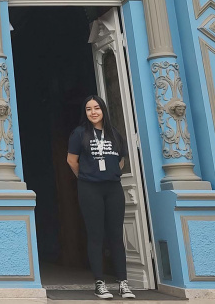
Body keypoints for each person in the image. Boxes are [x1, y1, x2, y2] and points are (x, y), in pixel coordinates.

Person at [66, 96, 134, 300]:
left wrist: (109, 174)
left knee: (115, 235)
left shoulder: (114, 134)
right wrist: (87, 176)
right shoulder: (79, 134)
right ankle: (100, 283)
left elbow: (120, 160)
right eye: (88, 109)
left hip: (113, 188)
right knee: (95, 235)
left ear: (103, 109)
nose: (93, 112)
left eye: (96, 108)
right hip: (89, 188)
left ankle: (123, 283)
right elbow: (71, 160)